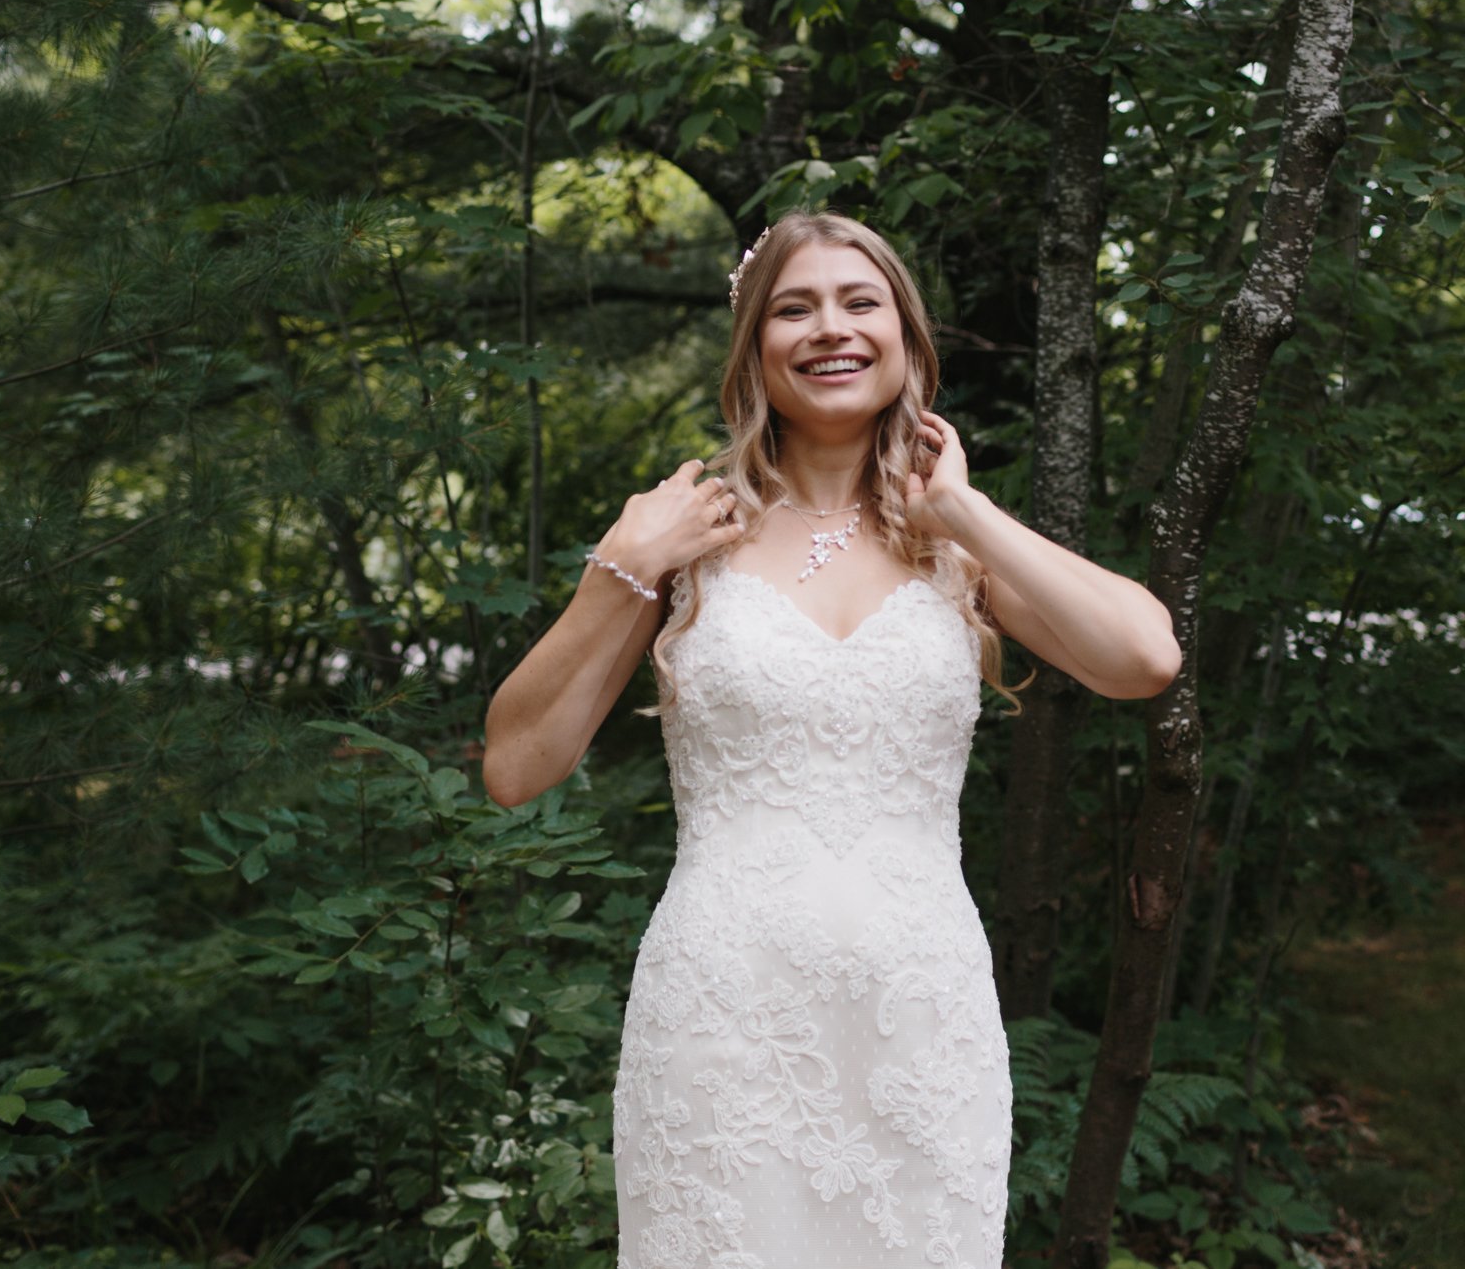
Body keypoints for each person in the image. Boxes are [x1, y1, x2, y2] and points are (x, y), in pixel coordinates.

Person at [482, 210, 1180, 1269]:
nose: (830, 328)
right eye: (794, 307)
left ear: (903, 334)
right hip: (725, 1014)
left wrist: (965, 511)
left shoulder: (955, 543)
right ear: (754, 344)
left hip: (917, 1013)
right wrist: (616, 566)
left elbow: (1143, 657)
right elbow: (514, 766)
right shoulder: (688, 537)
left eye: (860, 302)